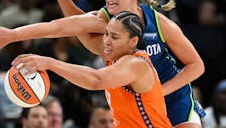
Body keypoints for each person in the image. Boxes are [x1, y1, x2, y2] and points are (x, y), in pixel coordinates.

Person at [0, 0, 205, 127]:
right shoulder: (104, 21)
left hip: (173, 98)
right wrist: (14, 34)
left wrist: (159, 91)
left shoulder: (160, 24)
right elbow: (62, 26)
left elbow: (196, 65)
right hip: (133, 102)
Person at [12, 11, 172, 127]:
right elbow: (77, 27)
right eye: (106, 34)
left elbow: (97, 80)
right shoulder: (114, 57)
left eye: (114, 37)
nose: (107, 41)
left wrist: (50, 63)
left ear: (133, 42)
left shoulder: (137, 64)